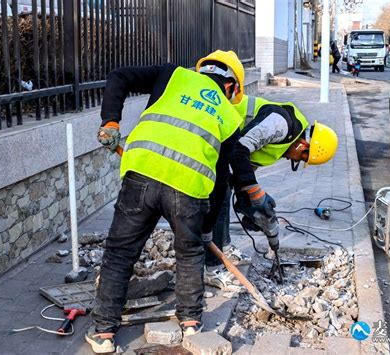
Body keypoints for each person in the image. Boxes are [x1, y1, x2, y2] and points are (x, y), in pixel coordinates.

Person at [87, 50, 265, 353]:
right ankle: (191, 323)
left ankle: (104, 332)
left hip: (142, 174)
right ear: (233, 87)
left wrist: (111, 122)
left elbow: (119, 76)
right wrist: (207, 229)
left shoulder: (172, 75)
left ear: (201, 71)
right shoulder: (230, 116)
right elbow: (221, 181)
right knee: (189, 253)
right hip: (188, 190)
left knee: (120, 253)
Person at [203, 94, 338, 289]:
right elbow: (238, 149)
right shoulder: (279, 124)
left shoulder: (284, 141)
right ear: (304, 145)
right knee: (219, 196)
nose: (294, 160)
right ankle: (212, 267)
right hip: (209, 130)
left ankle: (223, 247)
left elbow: (242, 169)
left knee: (226, 188)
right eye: (301, 158)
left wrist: (246, 201)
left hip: (224, 144)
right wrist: (256, 194)